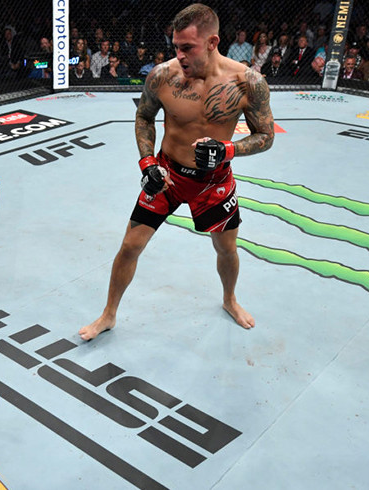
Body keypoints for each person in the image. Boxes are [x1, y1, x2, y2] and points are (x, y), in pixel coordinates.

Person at [79, 3, 275, 341]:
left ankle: (229, 299)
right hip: (167, 175)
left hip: (213, 181)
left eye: (187, 48)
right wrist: (147, 162)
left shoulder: (247, 83)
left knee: (226, 249)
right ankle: (108, 314)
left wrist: (227, 149)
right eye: (176, 47)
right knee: (130, 245)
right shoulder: (162, 75)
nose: (179, 55)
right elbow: (144, 116)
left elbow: (266, 136)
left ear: (212, 42)